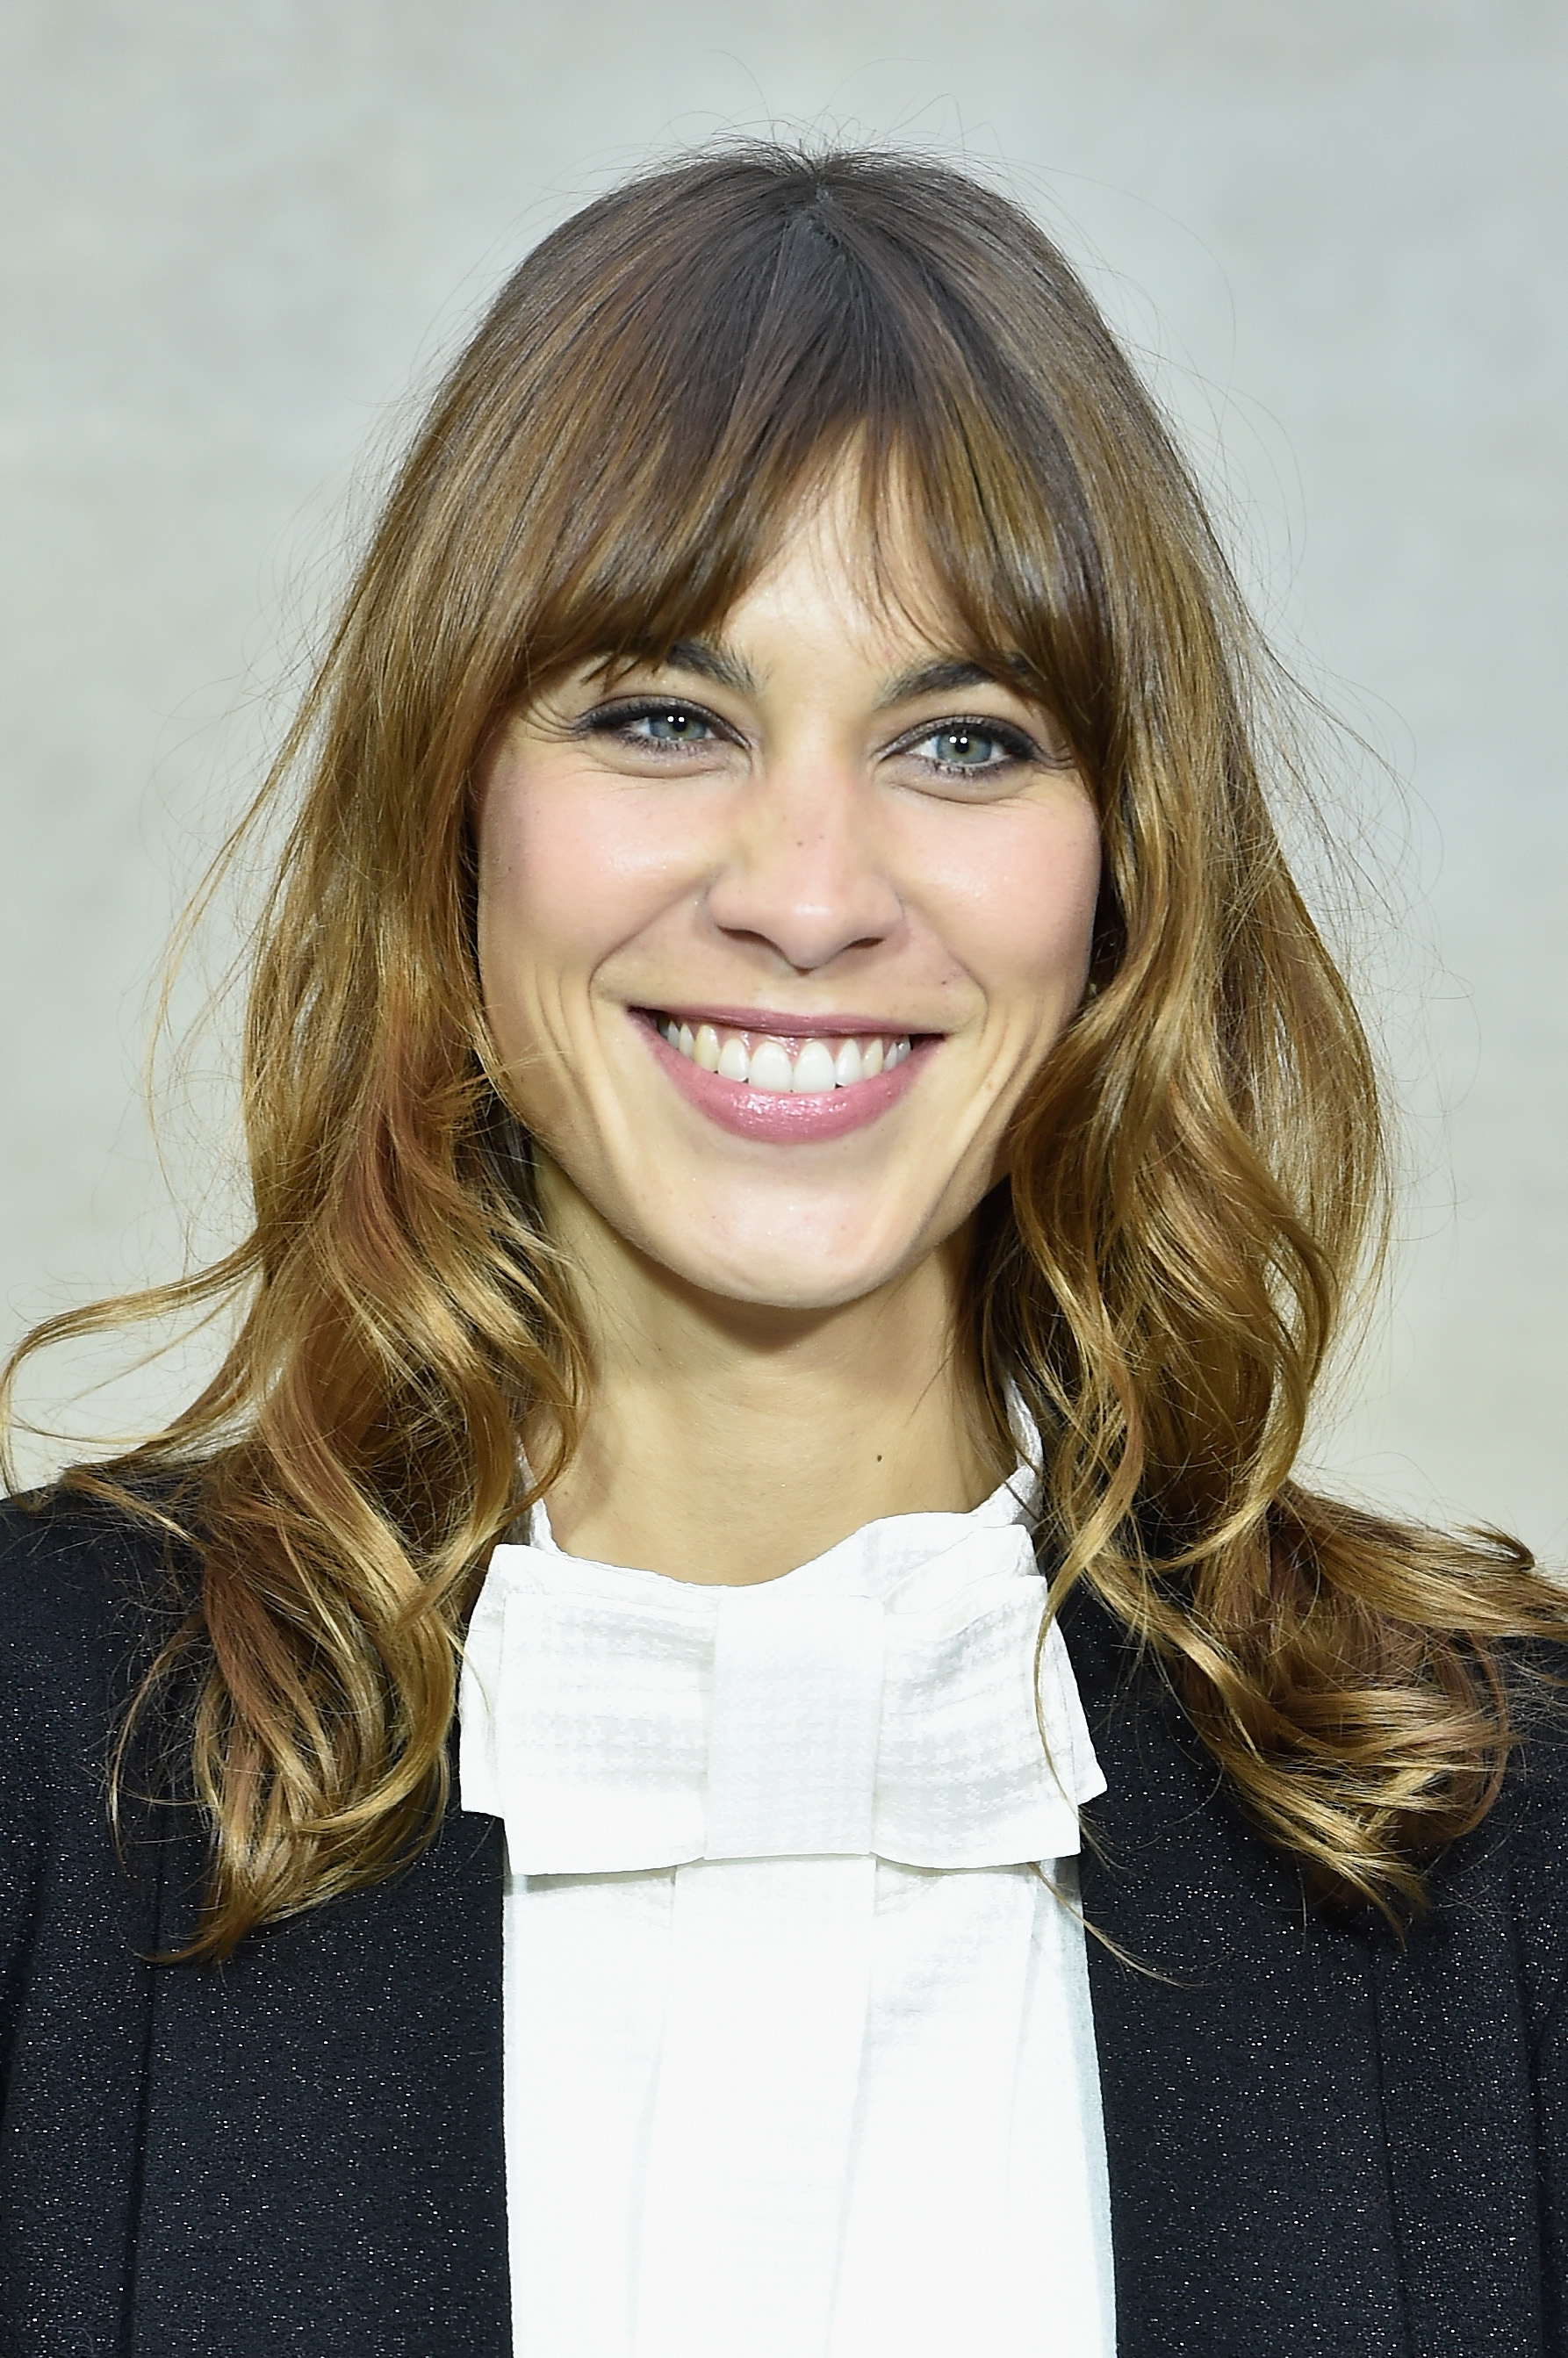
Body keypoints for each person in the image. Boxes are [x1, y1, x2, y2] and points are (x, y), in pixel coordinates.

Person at [1, 141, 1564, 2358]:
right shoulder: (40, 1747)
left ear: (1121, 872)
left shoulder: (1499, 1826)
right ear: (453, 813)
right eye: (664, 717)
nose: (809, 895)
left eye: (960, 740)